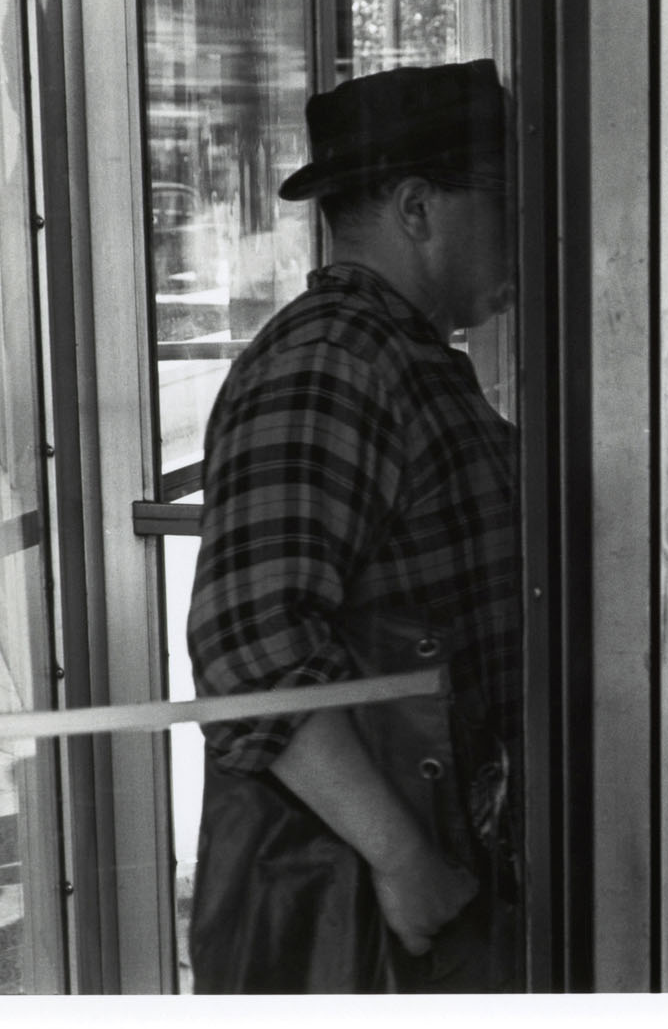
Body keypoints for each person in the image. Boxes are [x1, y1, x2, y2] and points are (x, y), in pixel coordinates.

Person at [185, 60, 524, 992]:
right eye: (508, 204)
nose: (528, 235)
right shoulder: (331, 363)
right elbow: (249, 642)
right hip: (369, 920)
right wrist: (402, 856)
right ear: (418, 208)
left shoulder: (397, 355)